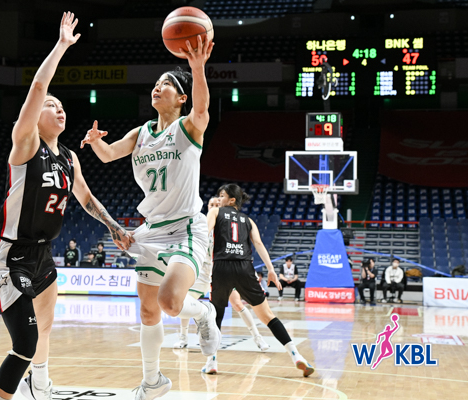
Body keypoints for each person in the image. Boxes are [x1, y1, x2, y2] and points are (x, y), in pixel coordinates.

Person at [0, 13, 132, 400]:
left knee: (46, 328)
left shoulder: (69, 157)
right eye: (52, 105)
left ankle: (40, 384)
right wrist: (62, 45)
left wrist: (115, 227)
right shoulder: (25, 142)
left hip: (43, 255)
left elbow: (86, 198)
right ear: (36, 116)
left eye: (62, 105)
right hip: (12, 256)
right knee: (25, 343)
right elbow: (37, 86)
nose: (59, 109)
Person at [81, 34, 220, 399]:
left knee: (170, 302)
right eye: (156, 84)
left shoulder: (187, 128)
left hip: (185, 227)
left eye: (166, 84)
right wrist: (95, 142)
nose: (157, 88)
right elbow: (109, 155)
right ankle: (153, 381)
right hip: (152, 230)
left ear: (181, 98)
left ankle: (203, 313)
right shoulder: (141, 133)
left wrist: (197, 68)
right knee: (147, 311)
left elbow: (203, 109)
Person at [205, 184, 314, 377]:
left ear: (231, 200)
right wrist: (271, 270)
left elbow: (205, 234)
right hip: (244, 268)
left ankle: (211, 361)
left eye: (222, 196)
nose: (218, 199)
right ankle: (296, 355)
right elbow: (259, 244)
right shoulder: (248, 220)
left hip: (221, 266)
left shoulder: (215, 211)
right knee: (268, 316)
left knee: (216, 316)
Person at [174, 197, 270, 353]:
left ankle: (258, 337)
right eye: (211, 204)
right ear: (208, 207)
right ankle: (183, 338)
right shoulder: (201, 226)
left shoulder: (226, 227)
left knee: (237, 304)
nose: (214, 206)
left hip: (222, 271)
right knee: (186, 300)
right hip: (203, 273)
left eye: (217, 205)